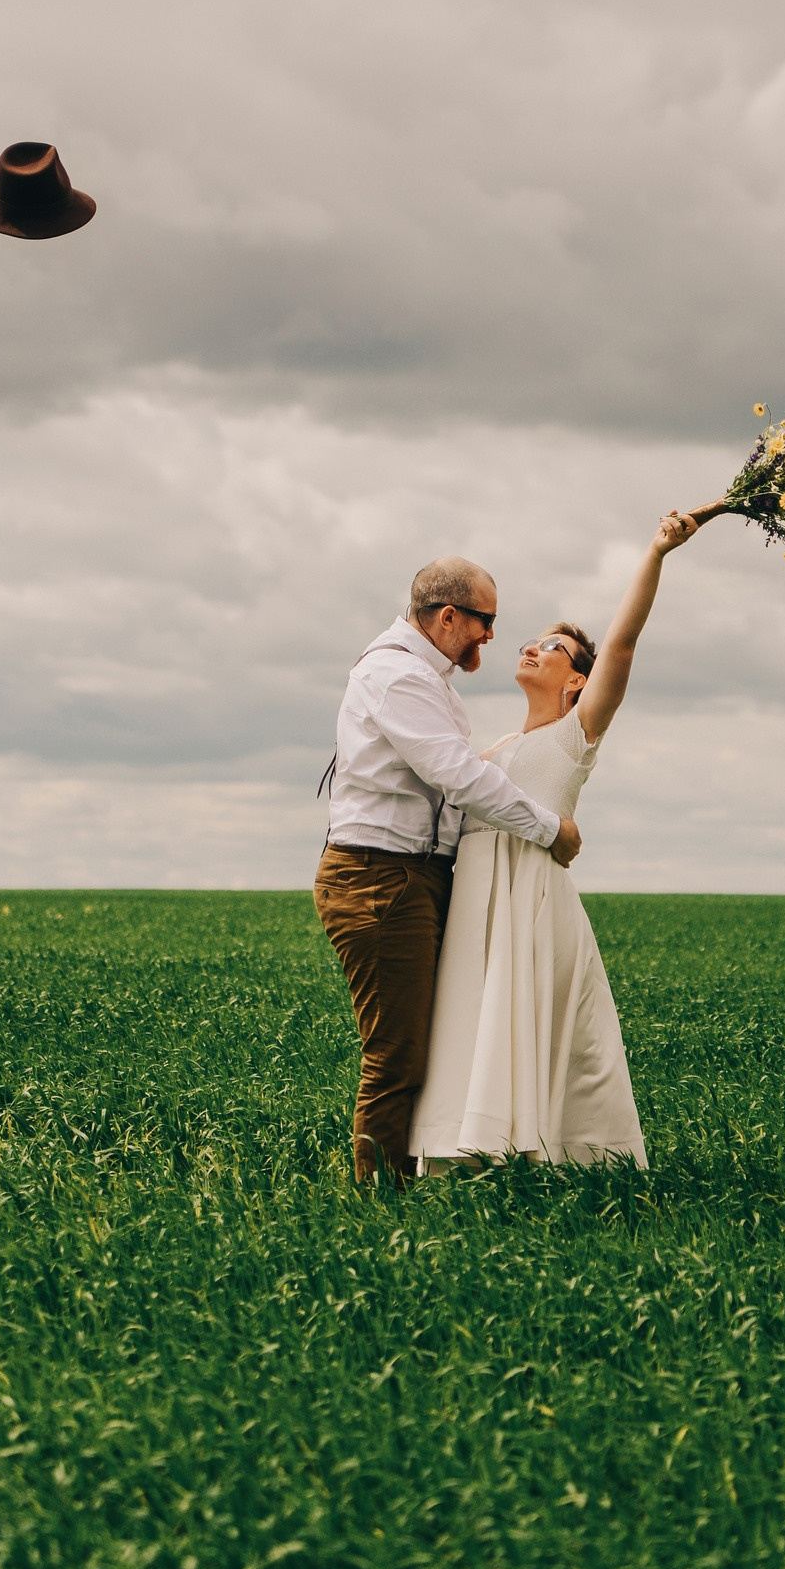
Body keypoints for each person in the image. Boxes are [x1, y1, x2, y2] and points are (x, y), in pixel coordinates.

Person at [410, 508, 703, 1173]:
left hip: (532, 900)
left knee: (537, 1026)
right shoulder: (494, 746)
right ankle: (465, 1155)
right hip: (478, 900)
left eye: (553, 647)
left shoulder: (576, 735)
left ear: (577, 681)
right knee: (472, 1020)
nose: (532, 648)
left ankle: (558, 1156)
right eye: (532, 640)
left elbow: (622, 645)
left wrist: (657, 553)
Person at [316, 556, 585, 1186]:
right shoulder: (398, 677)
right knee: (397, 1054)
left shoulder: (422, 677)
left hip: (411, 876)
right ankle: (376, 1200)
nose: (492, 635)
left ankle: (411, 1177)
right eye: (486, 620)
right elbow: (458, 778)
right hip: (382, 878)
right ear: (447, 616)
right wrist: (552, 830)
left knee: (419, 1047)